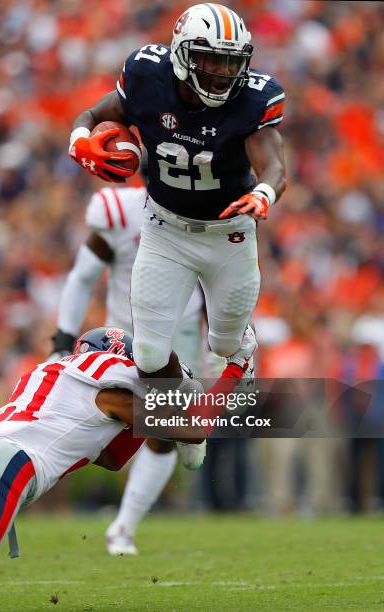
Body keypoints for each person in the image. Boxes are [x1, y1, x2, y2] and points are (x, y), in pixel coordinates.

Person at [0, 326, 253, 588]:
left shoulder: (48, 371)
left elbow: (111, 458)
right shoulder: (115, 386)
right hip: (4, 463)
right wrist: (234, 369)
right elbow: (194, 430)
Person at [68, 3, 286, 397]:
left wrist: (262, 192)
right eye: (211, 60)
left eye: (230, 63)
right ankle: (185, 401)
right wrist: (80, 140)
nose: (222, 73)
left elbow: (274, 167)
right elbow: (93, 114)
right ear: (182, 55)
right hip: (164, 228)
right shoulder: (147, 75)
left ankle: (243, 349)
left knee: (223, 343)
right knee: (149, 355)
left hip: (228, 233)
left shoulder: (254, 99)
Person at [52, 158, 203, 556]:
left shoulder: (208, 211)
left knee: (165, 437)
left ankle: (123, 526)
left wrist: (224, 343)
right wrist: (62, 339)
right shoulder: (120, 213)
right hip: (123, 340)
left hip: (179, 338)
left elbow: (220, 280)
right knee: (95, 428)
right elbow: (82, 276)